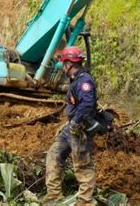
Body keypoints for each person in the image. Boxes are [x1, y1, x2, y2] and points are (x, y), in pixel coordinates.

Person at [43, 46, 98, 205]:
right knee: (54, 155)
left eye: (64, 63)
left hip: (79, 128)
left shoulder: (84, 81)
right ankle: (54, 195)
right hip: (70, 128)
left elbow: (87, 105)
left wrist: (75, 122)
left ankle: (84, 201)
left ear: (68, 63)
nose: (63, 67)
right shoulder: (75, 80)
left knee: (82, 166)